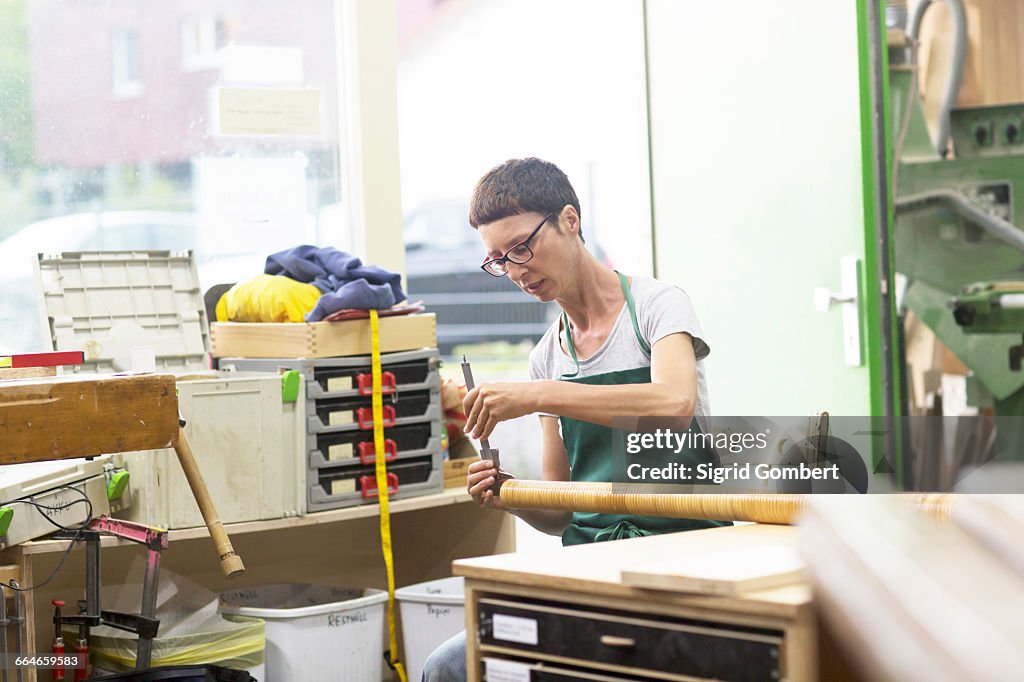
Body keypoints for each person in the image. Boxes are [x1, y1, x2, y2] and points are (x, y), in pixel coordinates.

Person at [422, 157, 727, 681]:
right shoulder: (549, 355)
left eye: (521, 247)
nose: (515, 269)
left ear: (569, 220)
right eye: (498, 259)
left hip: (682, 553)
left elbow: (674, 405)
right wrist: (512, 494)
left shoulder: (658, 307)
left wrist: (541, 394)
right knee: (448, 666)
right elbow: (562, 513)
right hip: (589, 566)